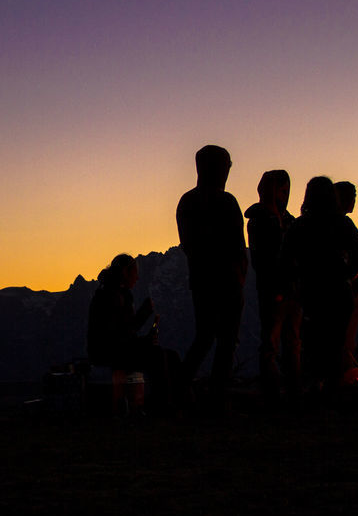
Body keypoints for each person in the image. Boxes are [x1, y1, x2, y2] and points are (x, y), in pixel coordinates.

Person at [176, 145, 247, 411]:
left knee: (205, 336)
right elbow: (238, 246)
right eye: (227, 165)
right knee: (226, 340)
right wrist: (238, 275)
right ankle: (216, 396)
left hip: (201, 280)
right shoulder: (226, 202)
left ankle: (179, 390)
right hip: (226, 281)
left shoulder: (187, 202)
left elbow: (189, 245)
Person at [280, 176, 355, 396]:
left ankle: (313, 391)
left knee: (313, 343)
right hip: (340, 293)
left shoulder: (299, 226)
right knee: (336, 342)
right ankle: (334, 391)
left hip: (312, 294)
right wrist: (346, 276)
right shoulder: (343, 224)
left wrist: (297, 280)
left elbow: (284, 260)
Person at [87, 254, 177, 413]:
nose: (137, 277)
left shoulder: (119, 294)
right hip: (107, 353)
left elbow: (125, 335)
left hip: (117, 349)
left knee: (171, 356)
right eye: (135, 272)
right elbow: (115, 337)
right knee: (158, 356)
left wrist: (144, 339)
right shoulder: (110, 296)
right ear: (125, 273)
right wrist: (142, 318)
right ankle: (163, 406)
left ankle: (174, 401)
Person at [245, 169, 298, 407]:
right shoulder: (259, 219)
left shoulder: (288, 220)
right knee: (272, 341)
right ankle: (274, 394)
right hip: (273, 289)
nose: (284, 194)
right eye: (280, 189)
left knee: (292, 341)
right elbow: (261, 259)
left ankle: (293, 392)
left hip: (292, 290)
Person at [335, 181, 358, 373]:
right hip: (344, 293)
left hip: (317, 292)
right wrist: (347, 280)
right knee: (344, 341)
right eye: (352, 196)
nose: (354, 200)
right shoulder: (344, 224)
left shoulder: (309, 222)